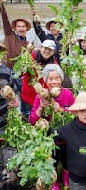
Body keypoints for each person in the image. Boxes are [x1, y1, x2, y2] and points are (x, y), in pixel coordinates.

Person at [30, 64, 75, 190]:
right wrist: (41, 108)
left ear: (61, 79)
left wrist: (61, 110)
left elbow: (75, 113)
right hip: (49, 136)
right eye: (51, 79)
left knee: (66, 158)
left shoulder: (68, 94)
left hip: (66, 134)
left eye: (57, 78)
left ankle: (66, 180)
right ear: (45, 81)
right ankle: (53, 181)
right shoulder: (41, 96)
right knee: (52, 158)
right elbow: (33, 121)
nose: (54, 82)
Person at [0, 44, 20, 188]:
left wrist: (15, 100)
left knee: (10, 168)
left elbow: (16, 93)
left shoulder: (7, 72)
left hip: (6, 126)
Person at [21, 40, 57, 111]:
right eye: (45, 48)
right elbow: (21, 72)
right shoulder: (30, 57)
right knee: (30, 117)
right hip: (29, 96)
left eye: (50, 50)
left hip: (43, 99)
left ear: (53, 52)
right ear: (40, 48)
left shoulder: (55, 65)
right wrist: (23, 65)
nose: (47, 51)